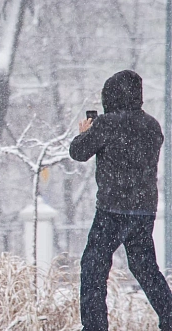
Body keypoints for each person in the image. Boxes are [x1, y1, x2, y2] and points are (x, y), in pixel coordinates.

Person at [70, 70, 172, 331]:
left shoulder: (107, 123)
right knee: (145, 267)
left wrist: (84, 133)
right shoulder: (152, 126)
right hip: (143, 211)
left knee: (94, 265)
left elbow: (79, 152)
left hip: (111, 211)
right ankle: (169, 316)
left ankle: (94, 326)